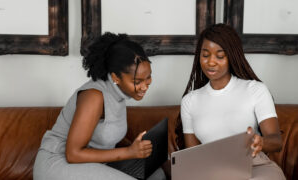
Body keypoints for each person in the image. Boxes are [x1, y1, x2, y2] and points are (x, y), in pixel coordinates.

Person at [33, 32, 166, 180]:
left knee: (157, 174)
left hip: (91, 163)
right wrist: (130, 152)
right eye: (137, 81)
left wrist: (139, 147)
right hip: (58, 163)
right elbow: (73, 154)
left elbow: (107, 134)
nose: (144, 86)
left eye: (148, 77)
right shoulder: (94, 96)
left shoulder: (120, 93)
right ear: (116, 77)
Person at [176, 23, 286, 179]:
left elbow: (276, 141)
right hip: (211, 170)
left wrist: (260, 141)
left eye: (220, 56)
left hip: (254, 166)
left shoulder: (255, 90)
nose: (211, 62)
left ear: (232, 56)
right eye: (205, 55)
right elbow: (193, 154)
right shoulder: (190, 101)